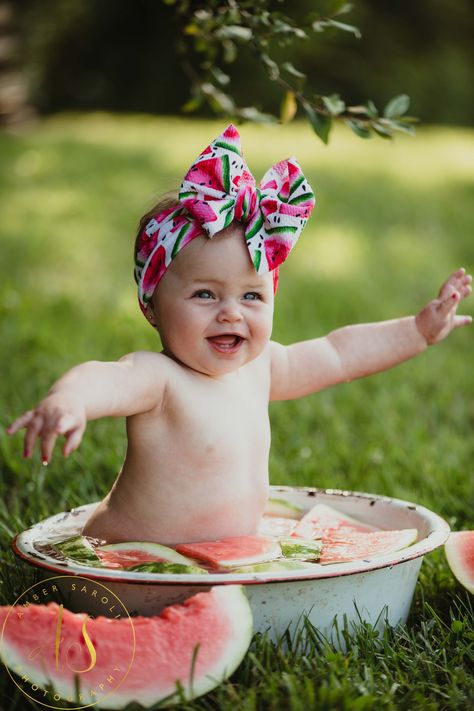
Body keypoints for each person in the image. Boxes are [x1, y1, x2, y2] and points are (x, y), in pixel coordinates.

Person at [7, 125, 472, 545]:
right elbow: (104, 378)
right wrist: (69, 400)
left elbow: (339, 353)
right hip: (130, 559)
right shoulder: (160, 379)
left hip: (224, 558)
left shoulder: (263, 366)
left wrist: (417, 331)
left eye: (251, 296)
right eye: (206, 295)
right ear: (150, 306)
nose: (231, 314)